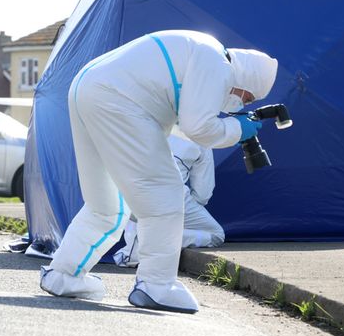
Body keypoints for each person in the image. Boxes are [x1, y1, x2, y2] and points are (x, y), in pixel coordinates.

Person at [39, 30, 277, 314]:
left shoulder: (202, 50)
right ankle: (156, 285)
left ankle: (64, 274)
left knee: (105, 206)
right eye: (246, 98)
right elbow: (199, 127)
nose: (241, 104)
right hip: (119, 100)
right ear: (244, 80)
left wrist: (231, 127)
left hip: (87, 88)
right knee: (166, 196)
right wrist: (239, 130)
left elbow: (179, 118)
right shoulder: (218, 64)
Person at [113, 134, 224, 268]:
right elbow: (202, 194)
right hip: (171, 195)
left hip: (125, 191)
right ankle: (156, 241)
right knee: (216, 235)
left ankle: (148, 240)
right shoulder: (202, 135)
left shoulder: (145, 118)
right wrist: (181, 213)